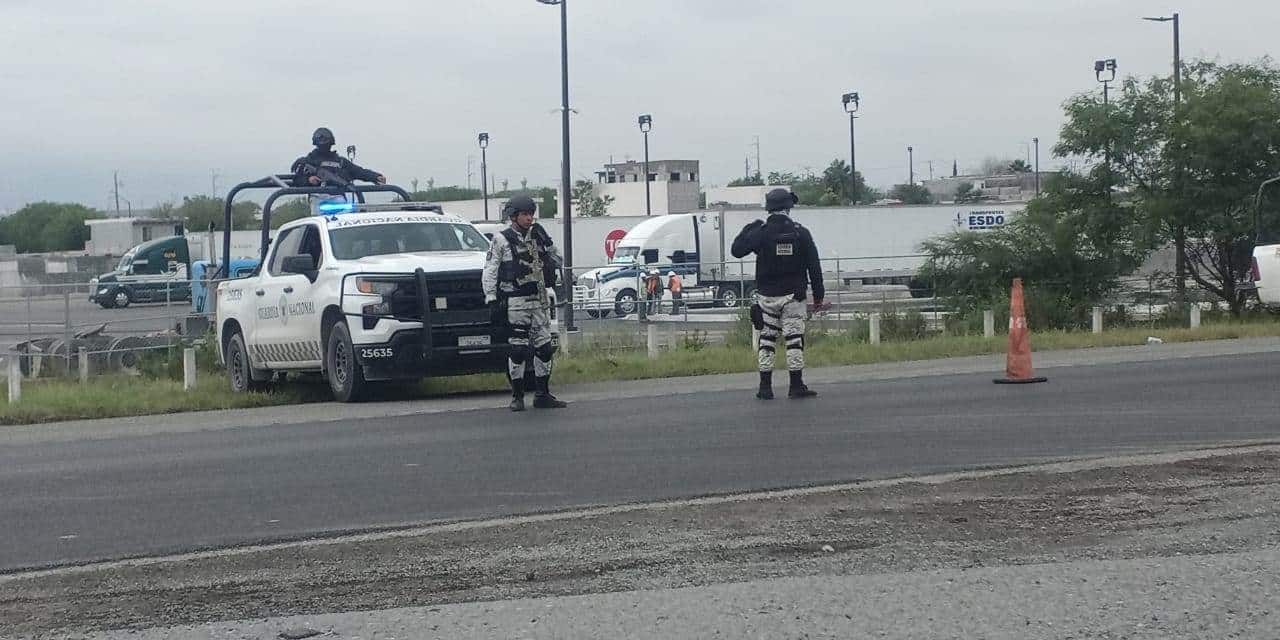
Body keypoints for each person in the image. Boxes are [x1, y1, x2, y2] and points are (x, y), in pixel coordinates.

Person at [731, 188, 824, 400]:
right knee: (794, 340)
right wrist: (818, 296)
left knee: (767, 340)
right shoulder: (801, 232)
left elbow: (736, 250)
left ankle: (765, 387)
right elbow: (814, 266)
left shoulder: (761, 233)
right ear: (788, 207)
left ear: (768, 208)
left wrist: (749, 228)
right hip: (794, 296)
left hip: (767, 297)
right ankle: (796, 385)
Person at [482, 195, 567, 411]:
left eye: (531, 214)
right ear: (514, 216)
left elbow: (558, 260)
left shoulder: (538, 235)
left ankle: (542, 394)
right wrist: (491, 298)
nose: (529, 218)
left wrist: (547, 243)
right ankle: (517, 396)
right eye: (525, 214)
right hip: (515, 301)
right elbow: (490, 270)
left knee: (545, 348)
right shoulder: (501, 239)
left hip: (538, 299)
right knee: (518, 350)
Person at [290, 127, 387, 187]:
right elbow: (297, 180)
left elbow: (359, 172)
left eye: (327, 143)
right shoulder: (308, 161)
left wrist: (376, 176)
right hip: (318, 198)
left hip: (339, 197)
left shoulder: (341, 162)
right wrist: (309, 180)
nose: (324, 146)